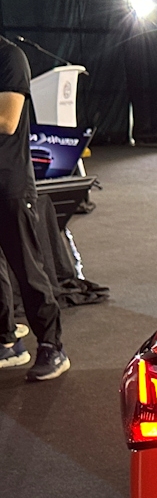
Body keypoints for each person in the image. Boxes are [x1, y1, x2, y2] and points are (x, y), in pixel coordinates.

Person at [0, 35, 69, 380]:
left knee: (27, 268)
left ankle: (52, 346)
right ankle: (6, 341)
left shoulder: (10, 57)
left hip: (9, 183)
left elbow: (7, 119)